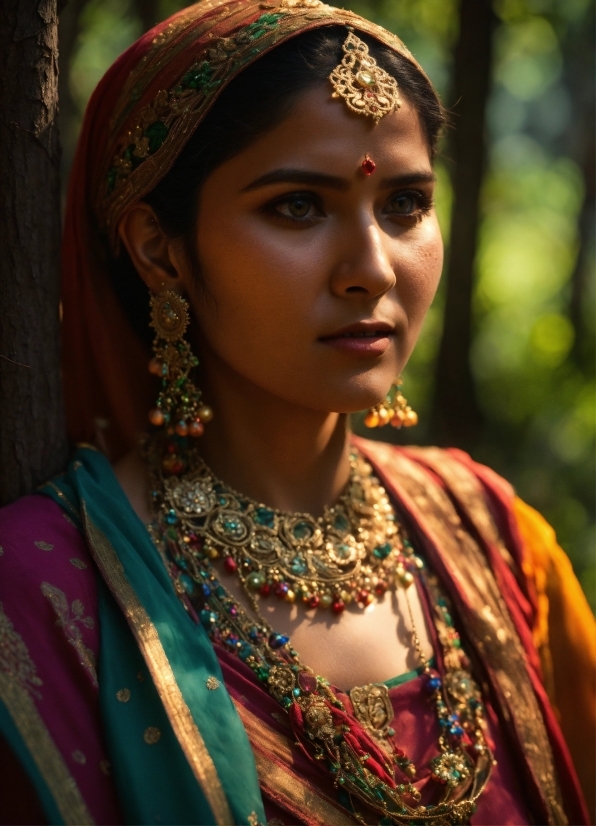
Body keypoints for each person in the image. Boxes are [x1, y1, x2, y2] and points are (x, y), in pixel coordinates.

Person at [0, 0, 593, 823]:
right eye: (298, 207)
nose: (372, 269)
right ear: (158, 248)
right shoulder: (41, 595)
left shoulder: (495, 540)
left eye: (405, 205)